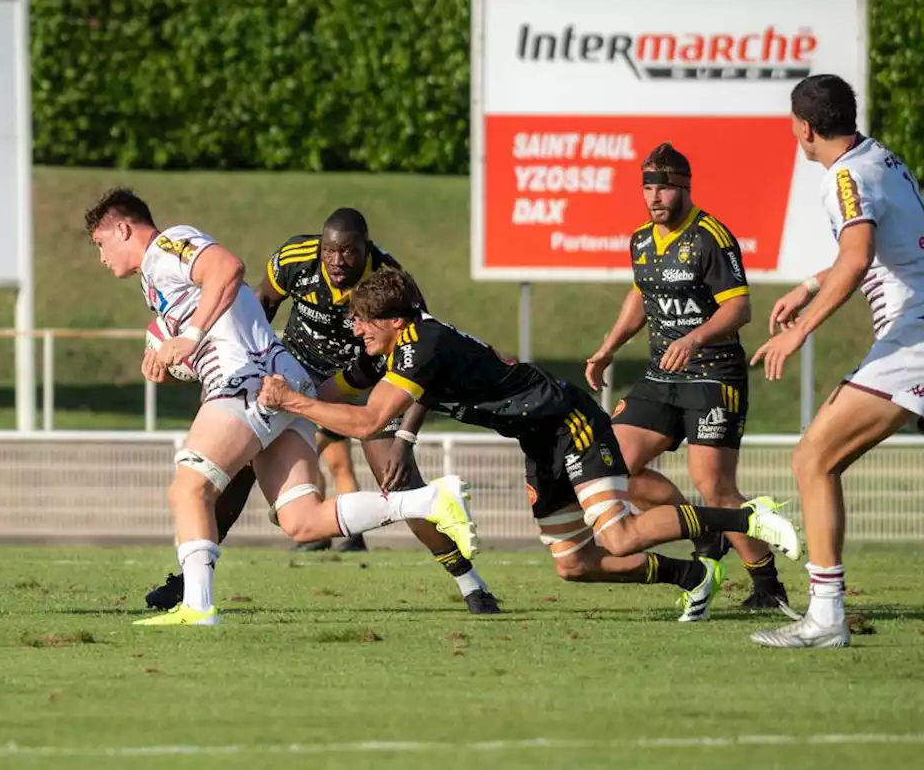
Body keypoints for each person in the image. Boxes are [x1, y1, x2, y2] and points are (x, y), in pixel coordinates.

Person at [257, 267, 802, 617]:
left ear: (394, 321)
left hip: (568, 420)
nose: (355, 331)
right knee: (575, 565)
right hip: (539, 440)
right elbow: (331, 390)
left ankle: (749, 517)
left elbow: (367, 420)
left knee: (617, 536)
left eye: (361, 322)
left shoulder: (423, 343)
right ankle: (690, 574)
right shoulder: (398, 345)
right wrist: (283, 396)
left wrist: (293, 405)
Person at [84, 188, 477, 626]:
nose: (100, 257)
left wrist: (191, 339)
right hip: (282, 381)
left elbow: (228, 268)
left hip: (249, 381)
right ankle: (426, 501)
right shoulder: (155, 281)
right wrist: (165, 354)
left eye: (100, 243)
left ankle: (196, 606)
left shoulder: (168, 246)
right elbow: (223, 315)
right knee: (302, 522)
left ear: (122, 229)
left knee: (189, 487)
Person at [749, 74, 924, 649]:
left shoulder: (844, 177)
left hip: (913, 341)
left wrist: (798, 331)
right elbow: (880, 251)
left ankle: (826, 618)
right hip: (911, 338)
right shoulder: (882, 160)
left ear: (803, 128)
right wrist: (807, 285)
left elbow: (857, 259)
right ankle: (826, 614)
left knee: (812, 459)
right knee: (817, 460)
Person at [585, 142, 792, 620]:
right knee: (615, 464)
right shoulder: (640, 240)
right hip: (662, 373)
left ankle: (768, 585)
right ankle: (703, 533)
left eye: (664, 187)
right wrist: (609, 347)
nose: (655, 196)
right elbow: (641, 295)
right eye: (648, 187)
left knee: (716, 487)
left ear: (684, 187)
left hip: (713, 374)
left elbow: (739, 307)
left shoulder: (710, 236)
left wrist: (695, 339)